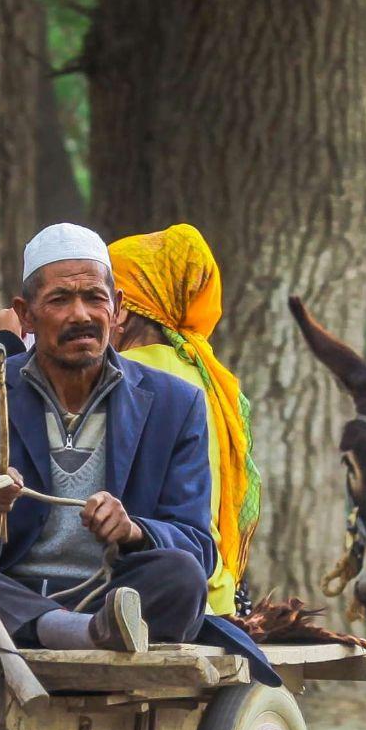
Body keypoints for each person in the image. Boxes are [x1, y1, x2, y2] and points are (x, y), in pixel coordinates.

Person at [0, 223, 277, 680]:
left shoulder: (175, 403)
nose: (80, 315)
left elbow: (196, 544)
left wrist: (135, 531)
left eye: (94, 298)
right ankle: (71, 630)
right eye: (60, 300)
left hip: (119, 599)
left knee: (180, 575)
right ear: (25, 315)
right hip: (9, 592)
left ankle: (71, 628)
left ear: (116, 308)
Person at [107, 223, 260, 616]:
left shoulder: (124, 377)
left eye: (98, 298)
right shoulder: (207, 377)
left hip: (153, 591)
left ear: (120, 312)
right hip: (217, 591)